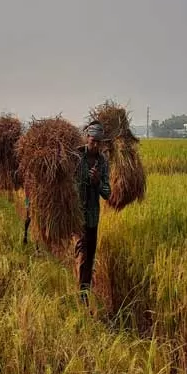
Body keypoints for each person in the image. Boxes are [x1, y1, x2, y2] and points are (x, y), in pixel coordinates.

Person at [75, 121, 111, 305]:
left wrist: (97, 182)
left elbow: (107, 192)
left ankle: (84, 291)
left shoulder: (104, 162)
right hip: (76, 213)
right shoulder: (76, 156)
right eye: (92, 140)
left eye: (99, 142)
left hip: (93, 216)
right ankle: (81, 292)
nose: (95, 144)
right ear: (87, 138)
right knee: (82, 251)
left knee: (90, 255)